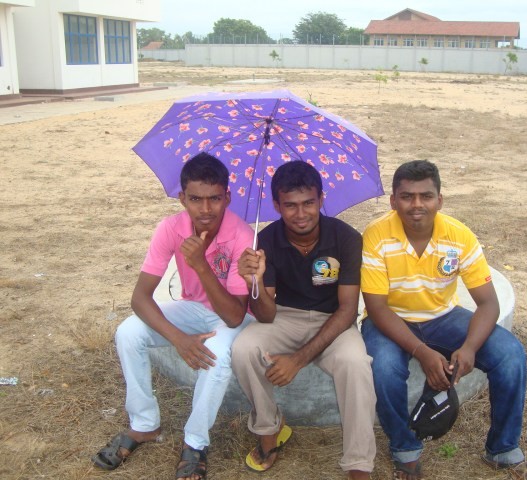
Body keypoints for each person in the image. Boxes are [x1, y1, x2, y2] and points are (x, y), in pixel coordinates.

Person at [360, 160, 527, 480]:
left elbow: (488, 303)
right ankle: (404, 448)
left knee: (510, 354)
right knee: (384, 368)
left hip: (443, 316)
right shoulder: (376, 235)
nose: (417, 204)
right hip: (390, 319)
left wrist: (469, 347)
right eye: (407, 196)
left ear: (439, 200)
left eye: (426, 196)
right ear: (393, 201)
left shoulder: (459, 236)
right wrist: (422, 352)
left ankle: (502, 448)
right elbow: (377, 308)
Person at [92, 152, 255, 480]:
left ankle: (195, 442)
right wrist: (178, 339)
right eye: (195, 199)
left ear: (227, 197)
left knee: (216, 354)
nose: (205, 209)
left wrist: (201, 265)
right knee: (128, 332)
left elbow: (235, 316)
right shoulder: (170, 228)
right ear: (182, 198)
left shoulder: (242, 235)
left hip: (234, 316)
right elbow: (140, 297)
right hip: (193, 308)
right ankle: (144, 424)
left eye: (214, 198)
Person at [232, 160, 376, 480]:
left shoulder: (347, 238)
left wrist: (297, 360)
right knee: (243, 349)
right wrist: (254, 282)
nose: (301, 214)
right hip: (284, 317)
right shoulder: (265, 240)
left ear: (321, 199)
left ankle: (359, 464)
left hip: (334, 321)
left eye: (309, 203)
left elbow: (348, 310)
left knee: (356, 364)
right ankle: (269, 429)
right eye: (290, 205)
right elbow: (266, 314)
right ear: (276, 205)